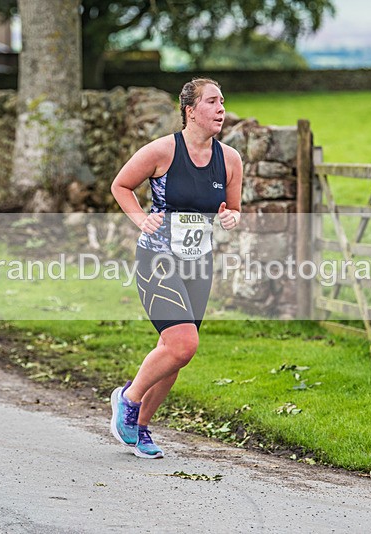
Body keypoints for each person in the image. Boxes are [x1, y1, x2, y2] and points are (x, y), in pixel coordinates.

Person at [109, 78, 243, 459]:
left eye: (223, 102)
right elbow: (121, 185)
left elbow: (232, 208)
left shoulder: (229, 159)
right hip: (158, 260)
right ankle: (128, 400)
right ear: (190, 110)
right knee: (183, 343)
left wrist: (231, 218)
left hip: (199, 264)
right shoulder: (163, 151)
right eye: (213, 102)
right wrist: (139, 219)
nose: (221, 109)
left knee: (175, 351)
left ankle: (142, 426)